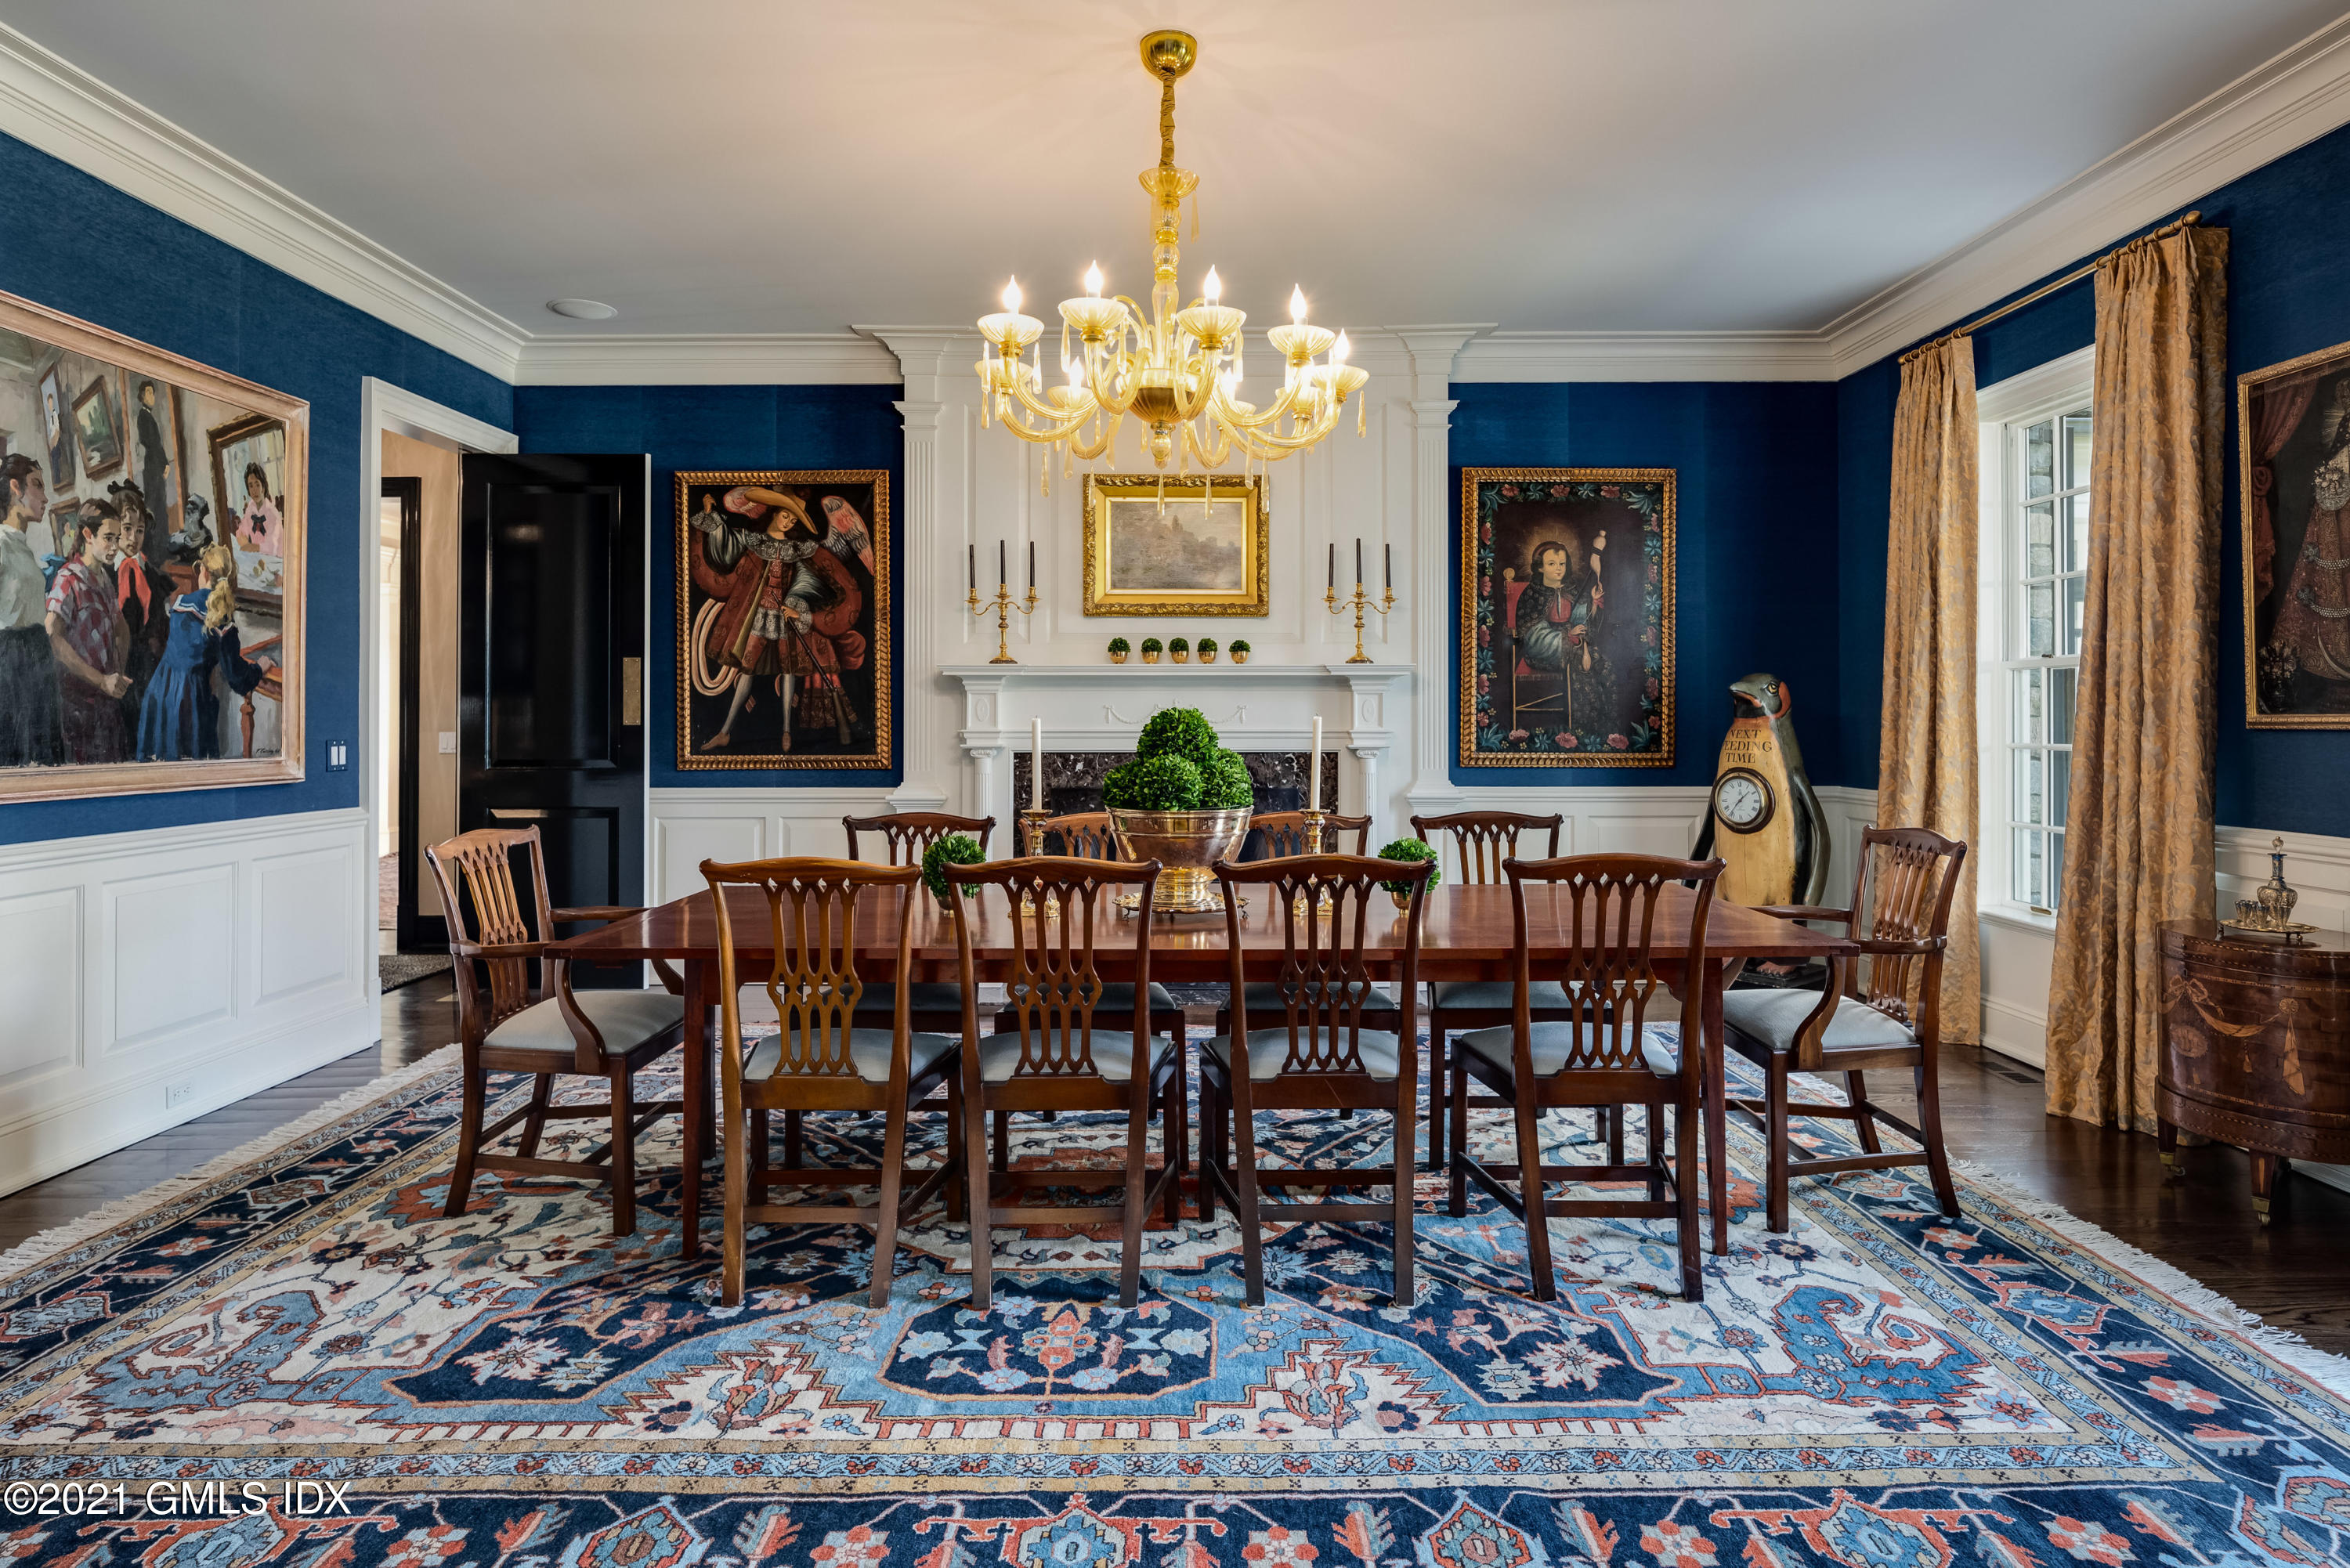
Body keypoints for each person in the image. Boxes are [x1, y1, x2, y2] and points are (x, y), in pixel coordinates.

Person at [689, 486, 866, 750]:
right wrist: (708, 514)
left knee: (788, 671)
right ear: (773, 513)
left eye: (793, 519)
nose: (788, 522)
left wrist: (798, 606)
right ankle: (725, 731)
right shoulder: (753, 541)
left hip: (787, 617)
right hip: (759, 616)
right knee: (747, 671)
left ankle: (786, 732)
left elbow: (814, 581)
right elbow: (723, 548)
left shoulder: (800, 548)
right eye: (786, 515)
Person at [138, 542, 271, 761]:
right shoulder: (224, 622)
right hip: (192, 701)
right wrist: (259, 668)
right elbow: (237, 678)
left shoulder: (180, 604)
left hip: (162, 691)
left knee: (161, 762)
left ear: (204, 572)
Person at [45, 499, 131, 764]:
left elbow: (121, 629)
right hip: (77, 704)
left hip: (105, 701)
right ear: (87, 535)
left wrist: (117, 673)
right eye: (108, 538)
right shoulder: (68, 578)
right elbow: (53, 636)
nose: (115, 547)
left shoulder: (104, 580)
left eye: (117, 538)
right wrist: (99, 679)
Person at [0, 453, 62, 767]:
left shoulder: (23, 546)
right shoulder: (0, 542)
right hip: (12, 664)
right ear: (15, 487)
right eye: (37, 485)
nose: (45, 496)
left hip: (37, 659)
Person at [110, 482, 172, 732]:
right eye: (127, 529)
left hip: (149, 662)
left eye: (139, 531)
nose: (133, 538)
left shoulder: (153, 575)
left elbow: (160, 621)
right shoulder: (106, 574)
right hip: (118, 664)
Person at [233, 461, 281, 555]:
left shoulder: (272, 514)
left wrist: (254, 547)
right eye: (251, 486)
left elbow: (273, 546)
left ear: (263, 487)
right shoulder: (250, 509)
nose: (254, 490)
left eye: (257, 485)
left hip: (276, 561)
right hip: (257, 559)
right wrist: (243, 539)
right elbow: (241, 532)